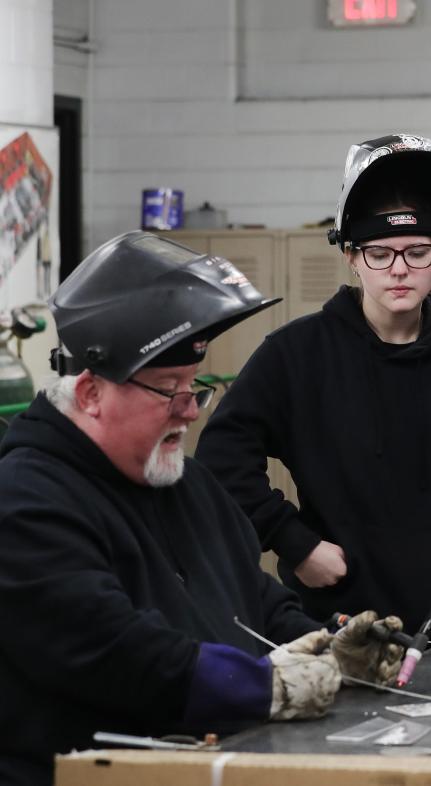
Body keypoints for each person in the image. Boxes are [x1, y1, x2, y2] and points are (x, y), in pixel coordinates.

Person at [0, 233, 402, 785]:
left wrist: (328, 649)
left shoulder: (185, 483)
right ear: (91, 393)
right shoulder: (26, 503)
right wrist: (267, 686)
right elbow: (117, 653)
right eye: (170, 390)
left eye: (196, 388)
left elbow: (256, 603)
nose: (189, 412)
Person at [196, 134, 431, 626]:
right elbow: (221, 457)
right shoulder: (296, 355)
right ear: (351, 256)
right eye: (379, 253)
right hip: (339, 621)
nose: (399, 270)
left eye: (417, 252)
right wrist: (295, 542)